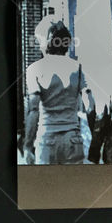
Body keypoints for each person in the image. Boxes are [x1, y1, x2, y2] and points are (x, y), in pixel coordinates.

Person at [23, 20, 93, 165]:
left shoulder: (35, 69)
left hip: (47, 138)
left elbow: (33, 110)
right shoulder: (78, 68)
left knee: (47, 180)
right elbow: (91, 106)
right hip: (73, 139)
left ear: (46, 42)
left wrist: (27, 145)